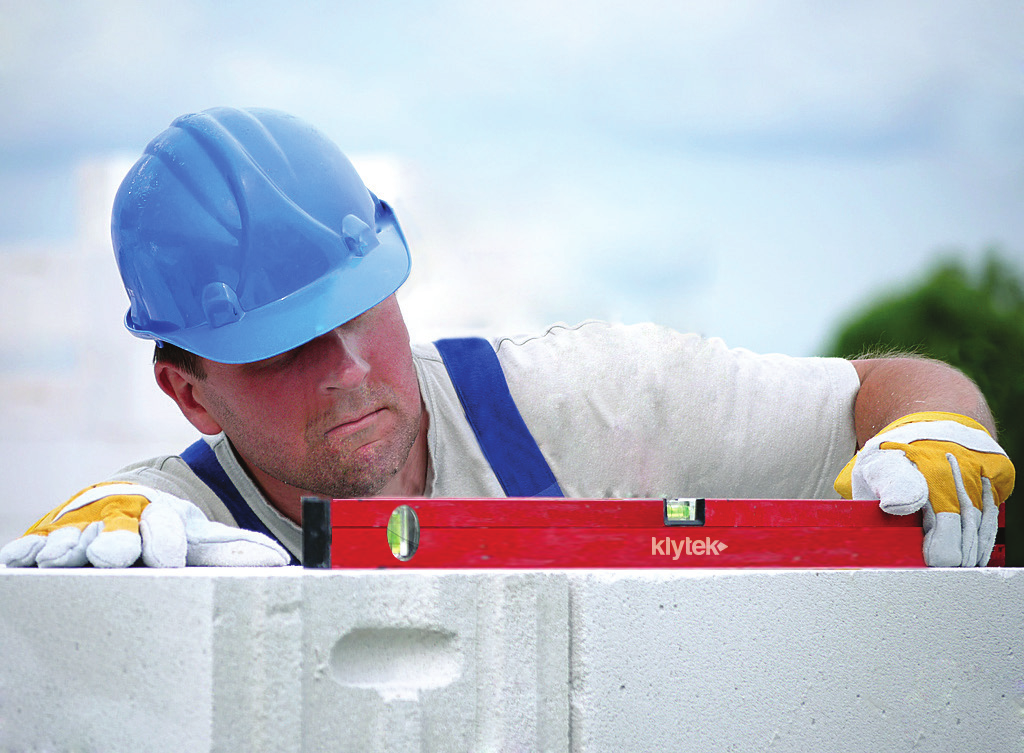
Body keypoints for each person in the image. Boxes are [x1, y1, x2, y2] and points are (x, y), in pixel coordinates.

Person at [0, 107, 1014, 570]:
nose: (349, 371)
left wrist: (935, 429)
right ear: (189, 394)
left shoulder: (585, 404)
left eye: (359, 312)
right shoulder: (163, 534)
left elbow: (883, 392)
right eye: (283, 349)